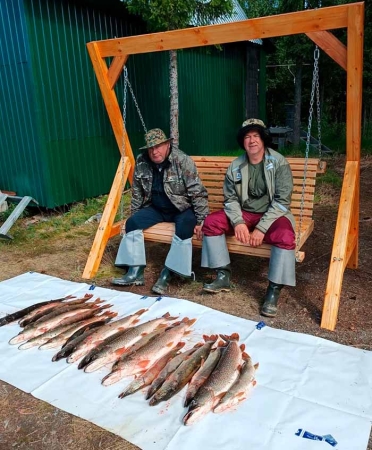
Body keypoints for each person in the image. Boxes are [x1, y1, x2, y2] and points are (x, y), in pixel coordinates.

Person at [201, 118, 296, 317]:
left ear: (263, 139)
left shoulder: (279, 163)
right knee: (210, 223)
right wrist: (238, 222)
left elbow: (282, 201)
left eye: (256, 136)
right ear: (242, 142)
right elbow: (230, 199)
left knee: (286, 236)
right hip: (244, 213)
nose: (251, 140)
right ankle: (222, 275)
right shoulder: (235, 166)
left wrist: (261, 228)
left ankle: (273, 289)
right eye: (247, 137)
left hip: (272, 214)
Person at [112, 128, 209, 295]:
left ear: (167, 144)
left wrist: (201, 220)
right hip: (157, 208)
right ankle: (135, 271)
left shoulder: (182, 161)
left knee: (185, 225)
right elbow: (137, 192)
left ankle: (168, 273)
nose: (154, 151)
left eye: (158, 146)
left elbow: (197, 192)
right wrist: (134, 213)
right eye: (150, 148)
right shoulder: (142, 162)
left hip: (181, 208)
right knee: (133, 223)